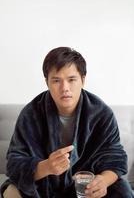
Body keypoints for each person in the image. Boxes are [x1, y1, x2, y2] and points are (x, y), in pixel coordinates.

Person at [1, 47, 134, 198]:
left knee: (122, 191)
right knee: (11, 191)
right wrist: (46, 167)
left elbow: (115, 157)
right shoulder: (31, 113)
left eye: (71, 80)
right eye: (56, 80)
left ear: (83, 80)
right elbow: (14, 163)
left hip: (85, 187)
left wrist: (103, 181)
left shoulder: (101, 113)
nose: (65, 88)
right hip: (43, 185)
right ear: (47, 82)